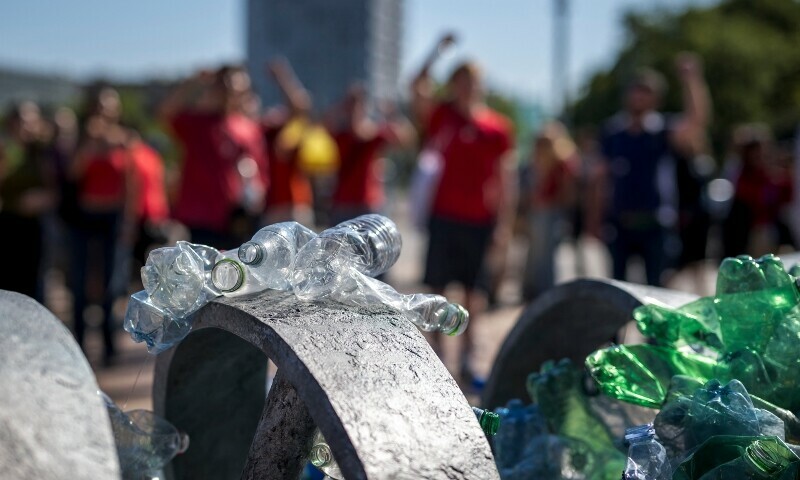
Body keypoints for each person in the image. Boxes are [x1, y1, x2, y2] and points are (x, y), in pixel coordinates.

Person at [411, 38, 517, 384]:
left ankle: (470, 358)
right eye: (461, 81)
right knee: (438, 291)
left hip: (480, 220)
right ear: (453, 85)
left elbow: (506, 180)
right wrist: (436, 52)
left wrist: (504, 225)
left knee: (475, 294)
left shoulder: (497, 128)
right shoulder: (443, 116)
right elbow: (416, 85)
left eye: (473, 82)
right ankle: (439, 358)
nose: (468, 88)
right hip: (444, 216)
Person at [589, 54, 710, 286]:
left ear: (656, 99)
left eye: (646, 92)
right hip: (619, 224)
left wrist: (691, 80)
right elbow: (600, 179)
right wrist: (593, 219)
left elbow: (696, 120)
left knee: (656, 292)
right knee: (618, 289)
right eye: (636, 91)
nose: (639, 97)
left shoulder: (663, 130)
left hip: (656, 224)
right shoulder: (613, 133)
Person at [159, 66, 268, 249]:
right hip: (200, 217)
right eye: (225, 87)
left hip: (236, 218)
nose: (230, 93)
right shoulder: (197, 123)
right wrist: (192, 82)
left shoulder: (249, 128)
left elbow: (258, 171)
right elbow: (166, 113)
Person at [69, 87, 134, 360]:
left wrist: (129, 222)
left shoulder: (125, 141)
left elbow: (132, 186)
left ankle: (109, 347)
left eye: (108, 107)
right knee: (79, 280)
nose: (103, 112)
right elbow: (74, 174)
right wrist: (88, 146)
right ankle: (78, 347)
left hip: (112, 217)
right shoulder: (83, 140)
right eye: (99, 106)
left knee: (111, 282)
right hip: (86, 217)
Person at [327, 83, 415, 224]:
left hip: (368, 203)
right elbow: (326, 122)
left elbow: (406, 139)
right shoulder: (341, 133)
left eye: (358, 104)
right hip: (342, 203)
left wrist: (391, 113)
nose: (354, 109)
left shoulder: (373, 133)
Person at [0, 102, 56, 301]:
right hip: (7, 223)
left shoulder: (42, 152)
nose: (30, 126)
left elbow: (56, 189)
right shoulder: (6, 149)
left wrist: (44, 198)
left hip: (34, 226)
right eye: (25, 121)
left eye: (34, 120)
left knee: (34, 284)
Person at [521, 121, 578, 301]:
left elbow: (567, 191)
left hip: (553, 212)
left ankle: (548, 292)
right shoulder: (537, 161)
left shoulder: (564, 161)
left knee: (549, 255)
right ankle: (532, 290)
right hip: (538, 211)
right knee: (534, 254)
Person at [722, 124, 794, 257]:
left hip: (773, 229)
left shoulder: (770, 173)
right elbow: (754, 199)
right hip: (750, 232)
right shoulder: (742, 176)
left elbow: (786, 197)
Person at [261, 58, 316, 225]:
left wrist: (282, 77)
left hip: (294, 205)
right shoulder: (263, 133)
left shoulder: (289, 132)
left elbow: (300, 105)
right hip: (270, 207)